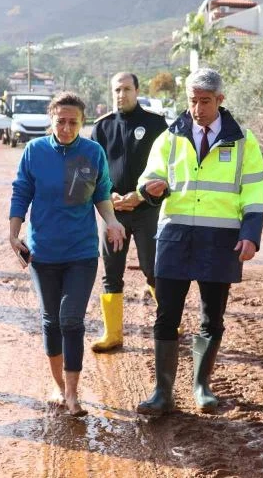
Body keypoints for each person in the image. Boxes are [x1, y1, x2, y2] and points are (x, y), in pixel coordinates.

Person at [135, 68, 263, 416]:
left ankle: (201, 387)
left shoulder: (243, 142)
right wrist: (149, 189)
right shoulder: (169, 137)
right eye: (192, 101)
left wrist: (251, 235)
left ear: (220, 100)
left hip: (220, 240)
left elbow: (254, 192)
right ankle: (162, 393)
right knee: (166, 316)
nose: (197, 108)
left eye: (205, 101)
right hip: (175, 235)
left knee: (212, 317)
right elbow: (149, 177)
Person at [9, 92, 125, 416]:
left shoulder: (91, 153)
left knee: (70, 319)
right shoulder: (34, 151)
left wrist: (113, 222)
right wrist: (13, 233)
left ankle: (73, 394)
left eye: (73, 122)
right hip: (43, 253)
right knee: (50, 322)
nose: (66, 127)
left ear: (82, 122)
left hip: (81, 252)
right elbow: (21, 192)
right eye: (60, 121)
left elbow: (102, 194)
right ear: (51, 119)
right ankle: (60, 387)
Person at [89, 72, 166, 353]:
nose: (121, 95)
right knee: (111, 271)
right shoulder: (102, 127)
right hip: (113, 214)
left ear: (137, 90)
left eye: (126, 89)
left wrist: (140, 195)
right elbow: (90, 170)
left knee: (153, 268)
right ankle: (113, 334)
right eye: (116, 90)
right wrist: (108, 196)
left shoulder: (156, 124)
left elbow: (167, 169)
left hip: (147, 210)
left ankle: (168, 323)